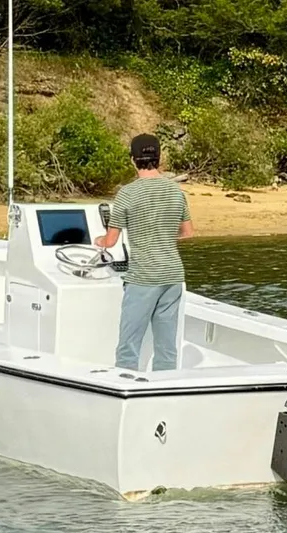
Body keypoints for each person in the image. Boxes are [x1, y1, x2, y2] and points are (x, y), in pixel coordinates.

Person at [94, 133, 194, 371]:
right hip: (172, 276)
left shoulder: (127, 194)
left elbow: (110, 240)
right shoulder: (176, 191)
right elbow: (188, 232)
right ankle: (165, 393)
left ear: (132, 159)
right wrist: (164, 235)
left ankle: (125, 392)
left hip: (143, 278)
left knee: (128, 347)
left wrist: (97, 239)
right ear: (159, 159)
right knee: (167, 348)